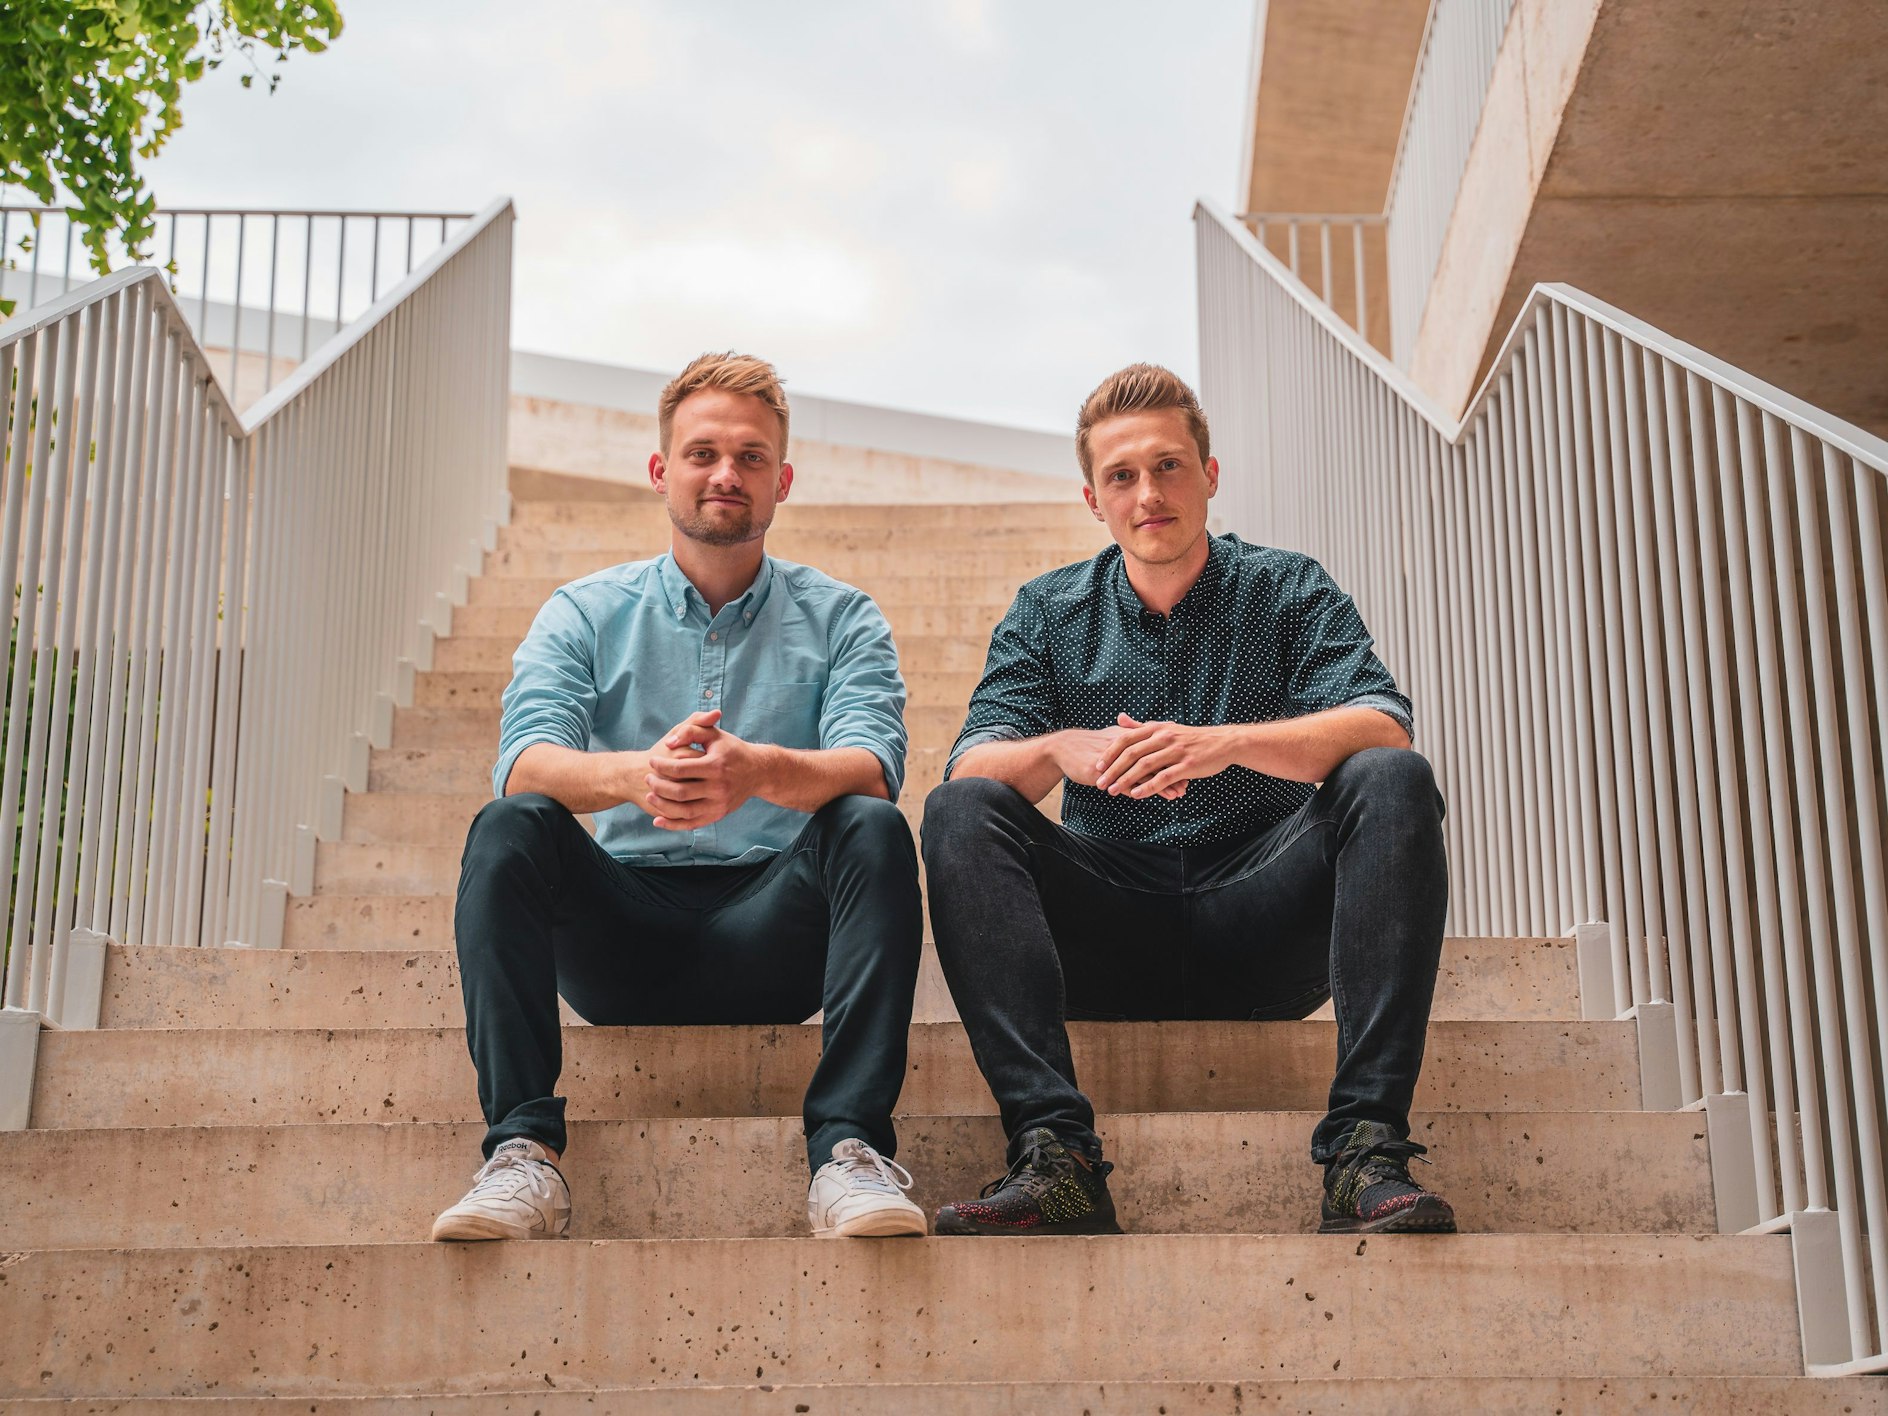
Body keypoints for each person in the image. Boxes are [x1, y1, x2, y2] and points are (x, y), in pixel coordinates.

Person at [921, 364, 1455, 1237]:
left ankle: (1366, 1151)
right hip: (1106, 931)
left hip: (1263, 917)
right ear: (1094, 500)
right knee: (961, 806)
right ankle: (1057, 1159)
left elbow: (1382, 722)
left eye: (1169, 466)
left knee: (1391, 776)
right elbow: (973, 763)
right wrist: (1058, 750)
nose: (1149, 493)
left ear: (1210, 474)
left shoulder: (1287, 587)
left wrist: (1226, 742)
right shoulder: (1048, 611)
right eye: (1122, 476)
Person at [432, 352, 927, 1243]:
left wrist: (759, 772)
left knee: (872, 824)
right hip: (620, 939)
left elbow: (874, 762)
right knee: (511, 825)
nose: (725, 474)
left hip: (778, 931)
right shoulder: (583, 612)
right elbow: (525, 762)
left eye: (750, 456)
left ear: (783, 481)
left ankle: (849, 1151)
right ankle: (522, 1155)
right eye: (702, 453)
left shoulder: (845, 616)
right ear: (663, 471)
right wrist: (636, 775)